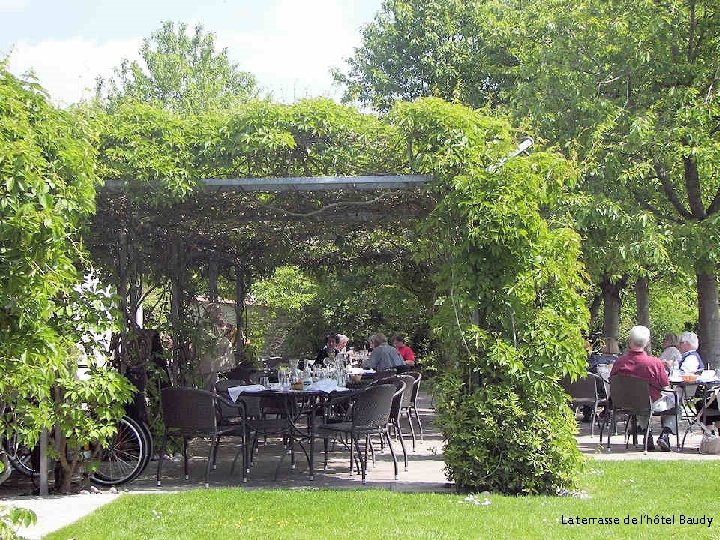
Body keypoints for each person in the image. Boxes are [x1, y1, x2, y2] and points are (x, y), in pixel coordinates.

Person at [610, 325, 675, 451]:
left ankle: (647, 433)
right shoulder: (654, 363)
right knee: (675, 401)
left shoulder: (619, 362)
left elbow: (612, 381)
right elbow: (665, 385)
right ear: (646, 343)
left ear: (629, 342)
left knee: (641, 401)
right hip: (648, 403)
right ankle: (665, 433)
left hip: (623, 402)